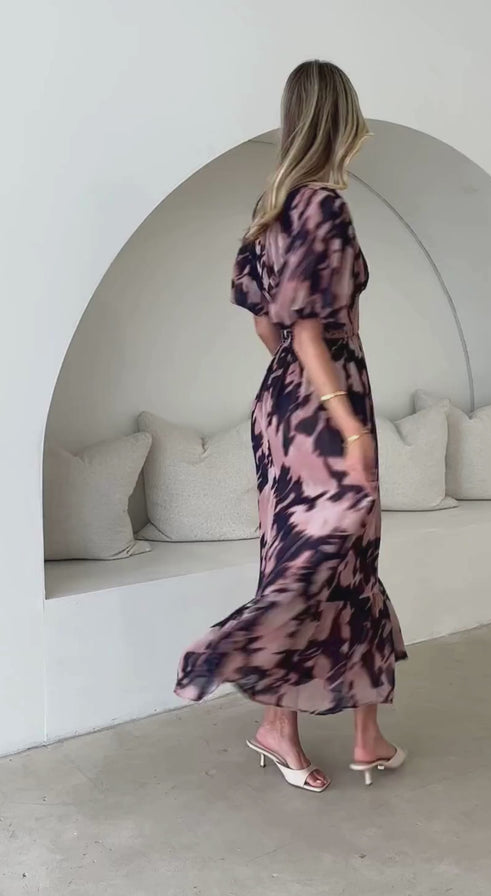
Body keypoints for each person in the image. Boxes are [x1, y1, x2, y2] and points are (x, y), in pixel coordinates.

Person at [175, 60, 407, 791]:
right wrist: (349, 426)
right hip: (328, 409)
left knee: (328, 563)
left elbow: (266, 327)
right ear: (342, 119)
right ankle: (247, 679)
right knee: (334, 564)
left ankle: (357, 734)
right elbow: (309, 331)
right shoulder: (325, 206)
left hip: (285, 406)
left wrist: (300, 389)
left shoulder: (271, 208)